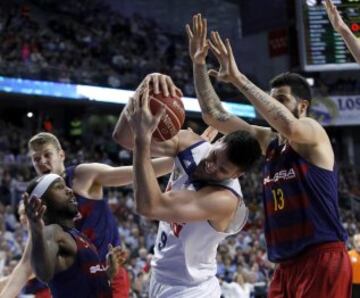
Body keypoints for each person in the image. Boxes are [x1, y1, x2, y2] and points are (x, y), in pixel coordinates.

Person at [186, 13, 352, 297]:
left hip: (321, 257)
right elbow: (214, 116)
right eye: (272, 99)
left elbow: (288, 124)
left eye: (281, 100)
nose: (274, 105)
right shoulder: (270, 141)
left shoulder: (313, 132)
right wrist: (199, 64)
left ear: (302, 106)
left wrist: (238, 79)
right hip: (285, 266)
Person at [113, 75, 262, 297]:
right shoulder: (190, 143)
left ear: (237, 175)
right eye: (214, 157)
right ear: (218, 141)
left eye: (222, 170)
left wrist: (142, 140)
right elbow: (123, 137)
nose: (212, 167)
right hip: (159, 276)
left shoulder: (224, 200)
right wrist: (143, 90)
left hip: (192, 289)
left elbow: (148, 207)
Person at [0, 131, 175, 297]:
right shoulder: (41, 205)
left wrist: (180, 159)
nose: (42, 162)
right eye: (36, 158)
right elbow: (26, 264)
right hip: (76, 281)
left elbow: (133, 173)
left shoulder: (82, 175)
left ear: (61, 155)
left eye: (47, 155)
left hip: (107, 272)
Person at [23, 173, 126, 298]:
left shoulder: (76, 234)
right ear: (41, 203)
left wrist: (108, 273)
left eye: (66, 186)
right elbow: (43, 273)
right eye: (59, 187)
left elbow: (83, 285)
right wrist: (36, 231)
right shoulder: (52, 232)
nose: (69, 190)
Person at [349, 234, 360, 298]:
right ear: (353, 243)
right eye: (356, 241)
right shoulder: (349, 255)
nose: (359, 244)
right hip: (352, 285)